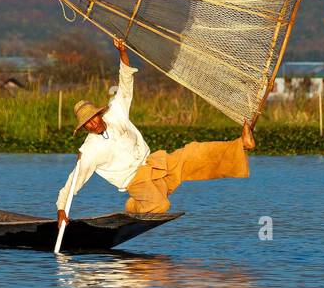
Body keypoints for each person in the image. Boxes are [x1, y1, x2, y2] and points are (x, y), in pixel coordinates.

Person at [57, 39, 255, 223]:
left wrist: (123, 52)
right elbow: (75, 179)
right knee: (160, 205)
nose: (93, 124)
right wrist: (61, 210)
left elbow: (126, 83)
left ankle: (241, 145)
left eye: (93, 118)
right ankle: (134, 206)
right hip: (136, 181)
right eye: (87, 124)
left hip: (154, 163)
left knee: (192, 153)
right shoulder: (90, 150)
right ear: (84, 128)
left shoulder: (115, 113)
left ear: (99, 114)